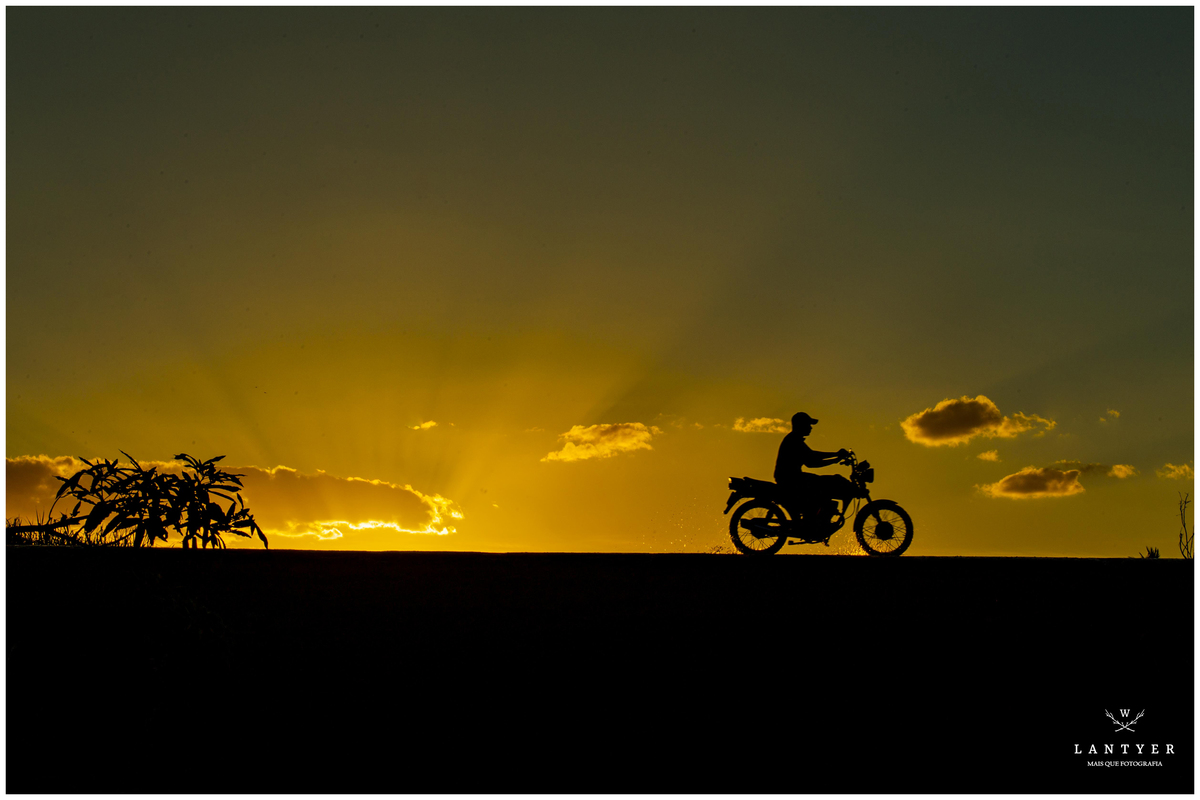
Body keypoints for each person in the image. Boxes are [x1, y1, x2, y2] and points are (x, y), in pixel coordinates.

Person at [774, 412, 856, 532]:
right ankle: (813, 523)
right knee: (824, 483)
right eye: (808, 424)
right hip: (790, 479)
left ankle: (814, 520)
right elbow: (812, 459)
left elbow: (811, 460)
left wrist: (835, 458)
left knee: (820, 482)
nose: (811, 427)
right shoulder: (794, 440)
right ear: (800, 425)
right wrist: (835, 456)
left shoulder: (795, 439)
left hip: (792, 478)